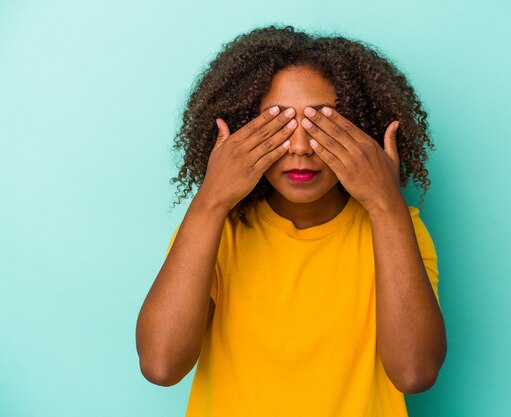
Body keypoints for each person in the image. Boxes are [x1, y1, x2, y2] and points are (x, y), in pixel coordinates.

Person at [135, 24, 447, 417]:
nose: (300, 148)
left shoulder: (397, 226)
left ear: (361, 131)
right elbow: (160, 365)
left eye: (323, 125)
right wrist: (210, 200)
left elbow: (415, 373)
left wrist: (385, 204)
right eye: (278, 125)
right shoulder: (215, 228)